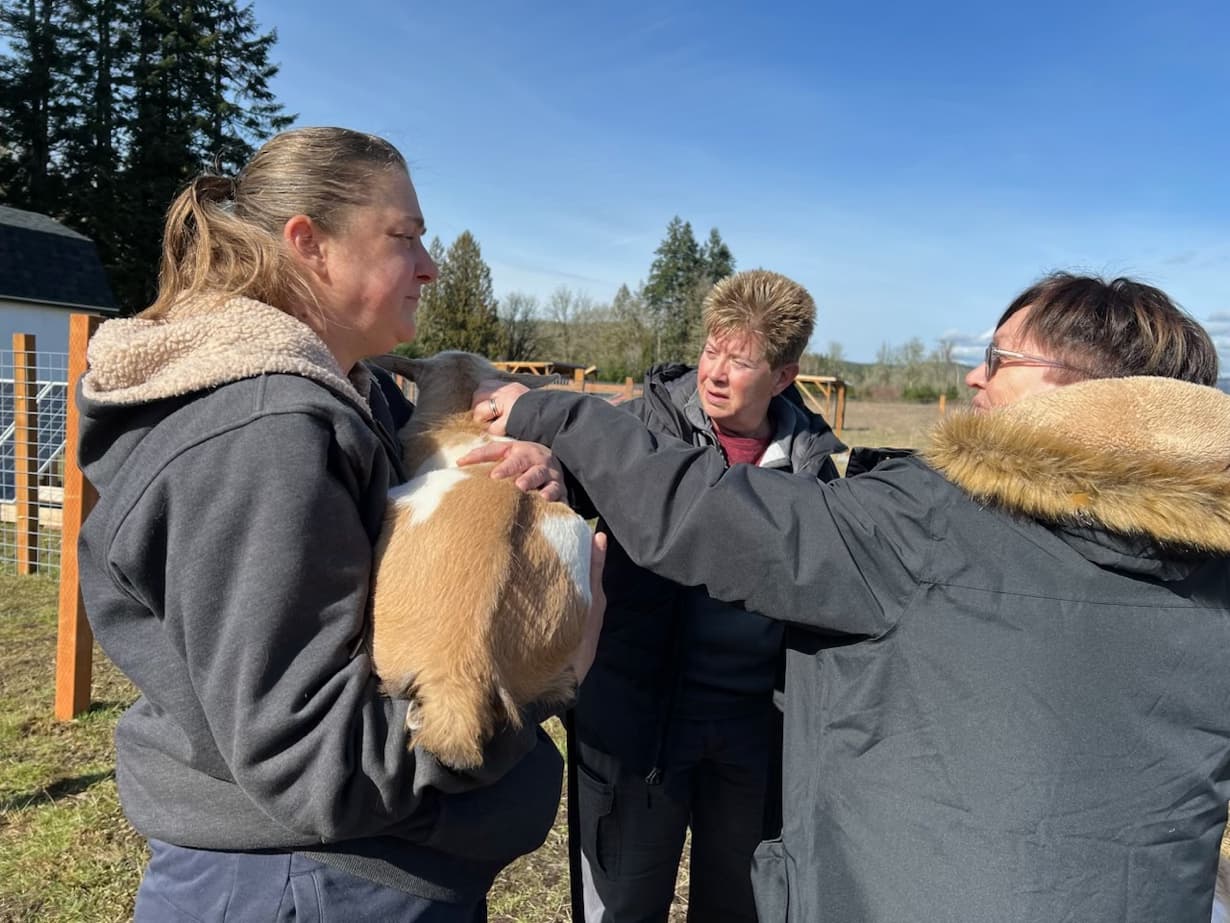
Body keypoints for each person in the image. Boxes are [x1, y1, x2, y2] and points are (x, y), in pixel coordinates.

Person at [472, 272, 1230, 923]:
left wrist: (550, 409)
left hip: (812, 807)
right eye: (713, 349)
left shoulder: (918, 518)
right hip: (643, 731)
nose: (973, 376)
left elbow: (705, 515)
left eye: (997, 358)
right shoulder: (1211, 573)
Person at [76, 126, 604, 922]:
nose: (430, 266)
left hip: (330, 873)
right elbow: (317, 759)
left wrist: (506, 500)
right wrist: (544, 674)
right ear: (308, 244)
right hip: (310, 885)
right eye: (406, 238)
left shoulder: (343, 398)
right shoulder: (264, 431)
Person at [572, 270, 843, 922]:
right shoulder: (641, 430)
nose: (715, 372)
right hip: (639, 721)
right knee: (622, 905)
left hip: (755, 728)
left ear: (783, 376)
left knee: (737, 904)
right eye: (711, 350)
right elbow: (563, 476)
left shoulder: (811, 467)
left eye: (741, 359)